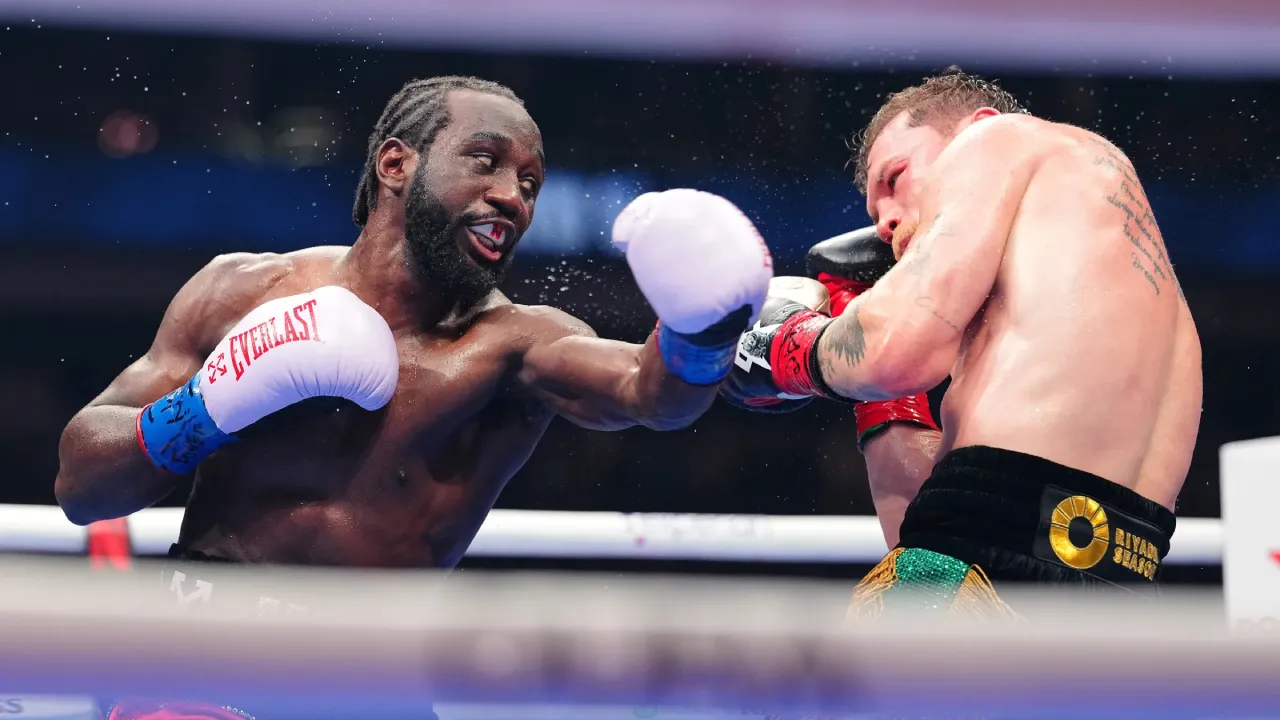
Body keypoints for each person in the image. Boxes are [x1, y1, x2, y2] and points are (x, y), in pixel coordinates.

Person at [54, 75, 773, 718]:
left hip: (371, 685)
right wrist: (205, 409)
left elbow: (654, 395)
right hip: (200, 658)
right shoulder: (242, 290)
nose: (511, 198)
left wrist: (698, 328)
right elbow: (82, 484)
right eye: (485, 161)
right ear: (396, 163)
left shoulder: (516, 345)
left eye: (530, 183)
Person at [721, 67, 1202, 615]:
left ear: (976, 125)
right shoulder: (1134, 298)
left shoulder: (1001, 139)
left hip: (976, 574)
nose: (885, 224)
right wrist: (878, 393)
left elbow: (893, 351)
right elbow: (922, 529)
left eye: (895, 179)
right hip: (1119, 603)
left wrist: (786, 346)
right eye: (876, 214)